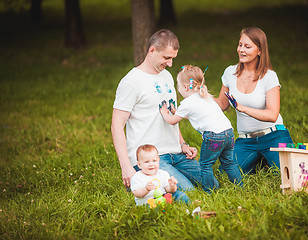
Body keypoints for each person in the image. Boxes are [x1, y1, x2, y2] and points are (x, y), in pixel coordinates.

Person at [111, 29, 201, 192]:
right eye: (166, 58)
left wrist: (183, 144)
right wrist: (126, 167)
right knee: (189, 192)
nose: (170, 64)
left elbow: (172, 114)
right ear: (152, 50)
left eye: (173, 58)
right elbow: (116, 126)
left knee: (211, 183)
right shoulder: (131, 82)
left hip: (176, 154)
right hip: (152, 159)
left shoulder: (166, 76)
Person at [215, 27, 293, 180]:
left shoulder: (269, 76)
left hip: (274, 135)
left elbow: (272, 114)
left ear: (260, 51)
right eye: (240, 45)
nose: (241, 50)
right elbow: (222, 104)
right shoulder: (229, 72)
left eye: (247, 46)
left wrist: (242, 108)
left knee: (288, 176)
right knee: (223, 177)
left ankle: (264, 159)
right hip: (246, 140)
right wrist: (201, 96)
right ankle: (260, 160)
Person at [159, 65, 241, 193]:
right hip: (228, 133)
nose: (179, 89)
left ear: (185, 87)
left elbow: (172, 120)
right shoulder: (205, 96)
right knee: (229, 162)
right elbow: (195, 114)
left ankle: (209, 192)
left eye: (179, 86)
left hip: (214, 137)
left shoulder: (187, 103)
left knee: (206, 165)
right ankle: (240, 187)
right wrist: (177, 112)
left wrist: (164, 112)